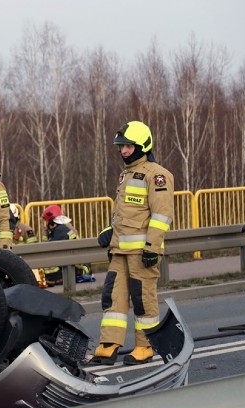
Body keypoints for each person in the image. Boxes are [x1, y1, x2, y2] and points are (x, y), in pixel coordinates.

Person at [93, 120, 174, 365]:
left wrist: (152, 247)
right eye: (121, 147)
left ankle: (145, 346)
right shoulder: (126, 174)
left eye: (128, 146)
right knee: (112, 298)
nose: (124, 151)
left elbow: (162, 215)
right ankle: (109, 345)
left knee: (143, 299)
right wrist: (109, 230)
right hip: (119, 251)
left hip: (142, 252)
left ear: (143, 146)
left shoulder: (157, 175)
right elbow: (123, 212)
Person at [40, 204, 94, 286]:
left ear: (52, 222)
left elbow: (47, 249)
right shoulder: (63, 227)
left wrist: (44, 234)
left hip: (78, 269)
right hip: (77, 265)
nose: (45, 225)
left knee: (48, 260)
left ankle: (53, 279)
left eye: (46, 222)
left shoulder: (60, 231)